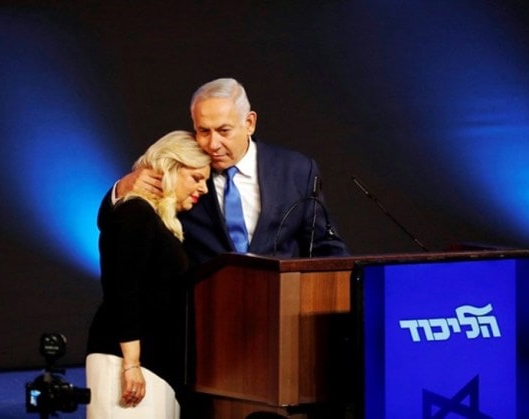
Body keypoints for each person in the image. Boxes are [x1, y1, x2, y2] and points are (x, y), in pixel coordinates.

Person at [102, 77, 349, 265]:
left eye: (223, 131)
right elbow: (124, 229)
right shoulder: (183, 171)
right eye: (203, 131)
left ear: (249, 123)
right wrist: (121, 190)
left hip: (280, 307)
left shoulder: (296, 170)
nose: (213, 144)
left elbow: (325, 246)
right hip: (205, 310)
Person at [86, 130, 211, 419]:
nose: (204, 188)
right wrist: (131, 364)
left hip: (157, 365)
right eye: (196, 178)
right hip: (128, 362)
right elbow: (122, 291)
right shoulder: (135, 212)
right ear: (169, 169)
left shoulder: (158, 220)